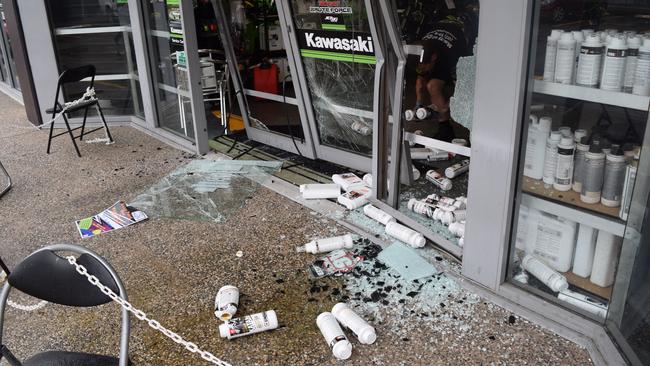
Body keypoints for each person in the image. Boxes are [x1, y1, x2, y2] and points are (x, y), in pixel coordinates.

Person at [415, 16, 470, 142]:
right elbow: (420, 80)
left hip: (461, 32)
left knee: (437, 88)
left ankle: (451, 127)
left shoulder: (453, 56)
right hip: (440, 27)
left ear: (433, 58)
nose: (422, 71)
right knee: (431, 85)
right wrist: (418, 104)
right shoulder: (421, 51)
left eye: (425, 68)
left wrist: (448, 106)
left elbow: (463, 88)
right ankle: (445, 128)